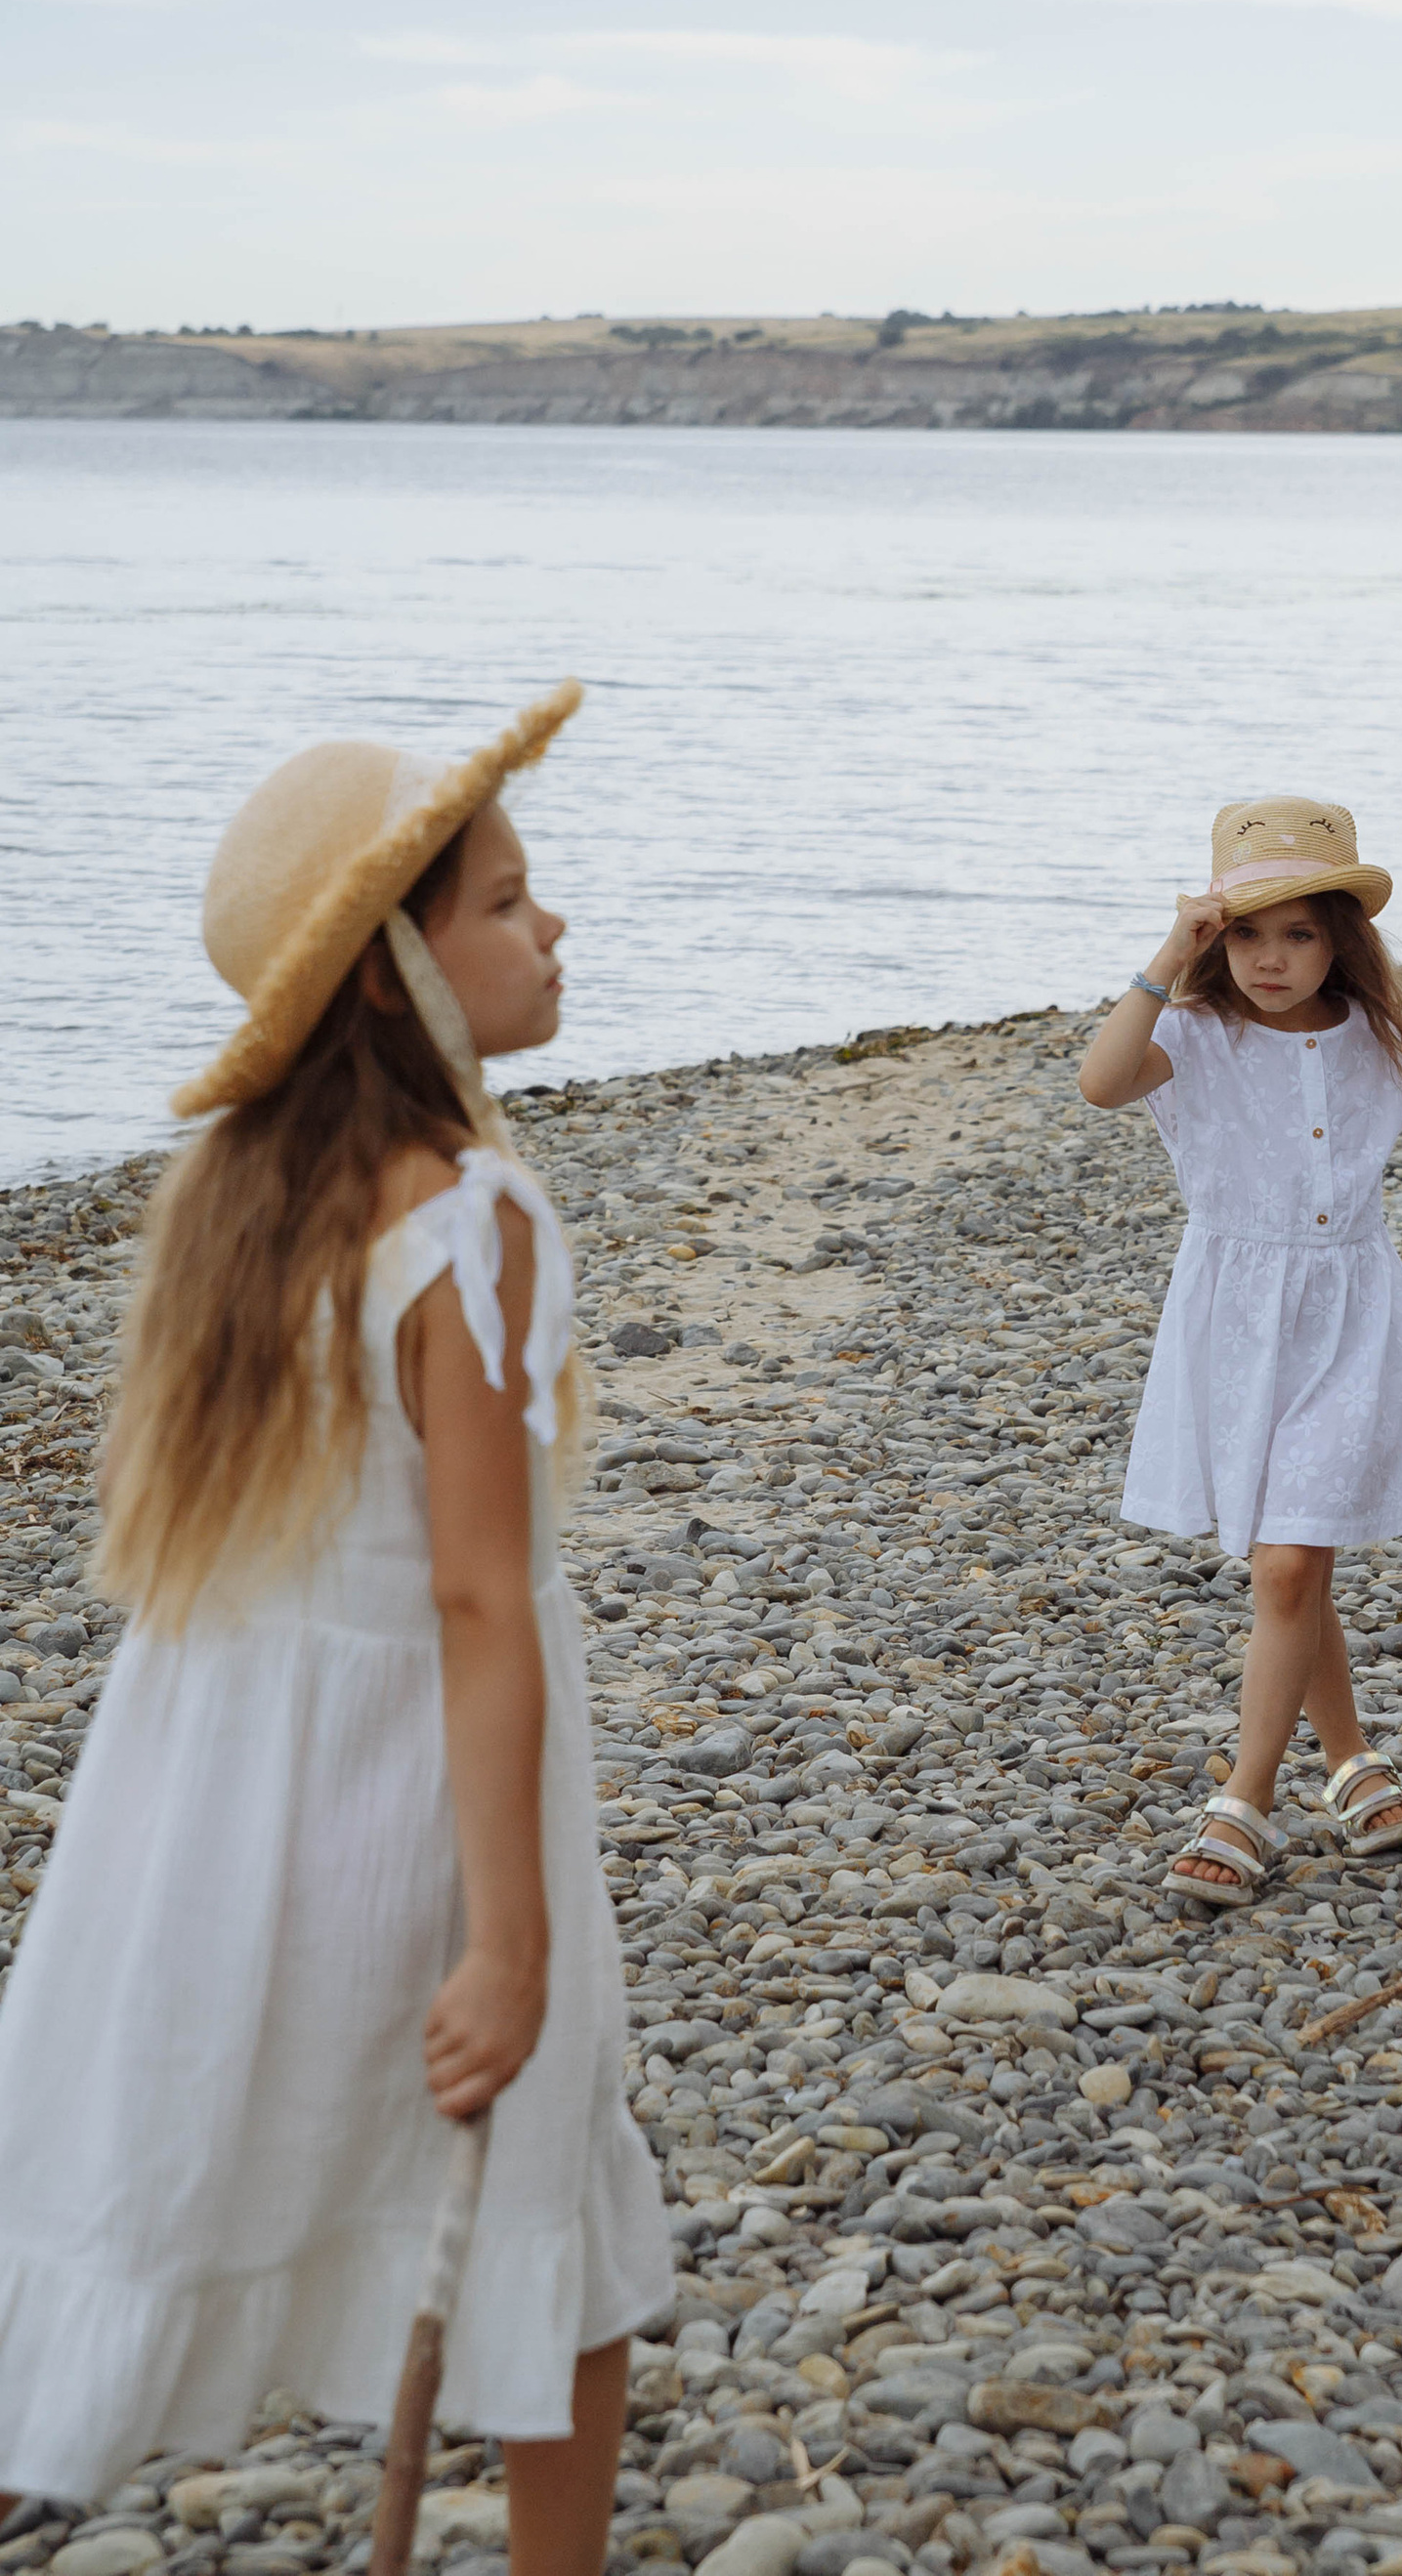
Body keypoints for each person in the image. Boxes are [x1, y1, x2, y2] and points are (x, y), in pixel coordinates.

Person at [0, 687, 669, 2576]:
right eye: (509, 904)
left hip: (203, 1785)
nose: (553, 931)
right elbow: (474, 1590)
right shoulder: (473, 1214)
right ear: (393, 975)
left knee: (139, 2180)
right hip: (408, 1781)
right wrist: (514, 1932)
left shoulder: (243, 1200)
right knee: (542, 2199)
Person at [1080, 796, 1402, 1905]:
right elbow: (1097, 1082)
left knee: (1287, 1560)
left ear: (1341, 941)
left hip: (1348, 1319)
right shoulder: (1191, 1037)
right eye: (1246, 934)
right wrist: (1165, 957)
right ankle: (1354, 1763)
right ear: (1213, 942)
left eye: (1300, 933)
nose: (1272, 959)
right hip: (1231, 1320)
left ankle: (1243, 1804)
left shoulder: (1371, 1042)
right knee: (1296, 1551)